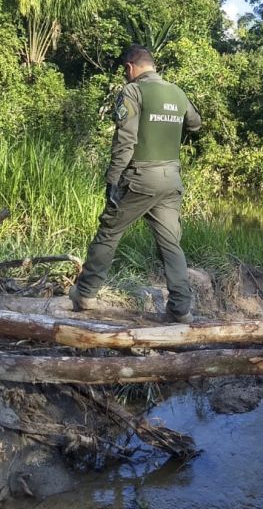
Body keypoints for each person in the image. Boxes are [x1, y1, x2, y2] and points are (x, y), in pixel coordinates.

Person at [69, 44, 202, 323]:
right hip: (171, 179)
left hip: (140, 178)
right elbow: (195, 123)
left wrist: (112, 180)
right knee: (171, 244)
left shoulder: (133, 91)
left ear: (130, 67)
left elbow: (125, 141)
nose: (125, 75)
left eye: (124, 70)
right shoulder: (177, 92)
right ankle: (180, 309)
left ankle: (85, 294)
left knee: (109, 231)